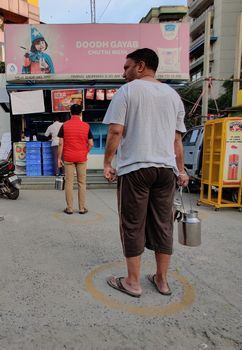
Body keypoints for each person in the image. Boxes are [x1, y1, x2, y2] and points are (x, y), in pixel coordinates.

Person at [102, 48, 189, 298]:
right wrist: (180, 170)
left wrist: (108, 163)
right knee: (163, 224)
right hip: (166, 171)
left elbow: (116, 131)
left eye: (126, 67)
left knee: (132, 223)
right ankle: (162, 280)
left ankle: (132, 282)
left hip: (136, 169)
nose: (123, 73)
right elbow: (176, 141)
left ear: (140, 66)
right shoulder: (173, 96)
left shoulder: (127, 91)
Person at [57, 104, 93, 215]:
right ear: (81, 113)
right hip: (82, 158)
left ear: (70, 113)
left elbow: (60, 143)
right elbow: (91, 143)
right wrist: (85, 152)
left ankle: (69, 208)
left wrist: (59, 158)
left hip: (68, 158)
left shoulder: (64, 126)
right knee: (82, 183)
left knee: (69, 183)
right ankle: (82, 208)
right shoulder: (86, 126)